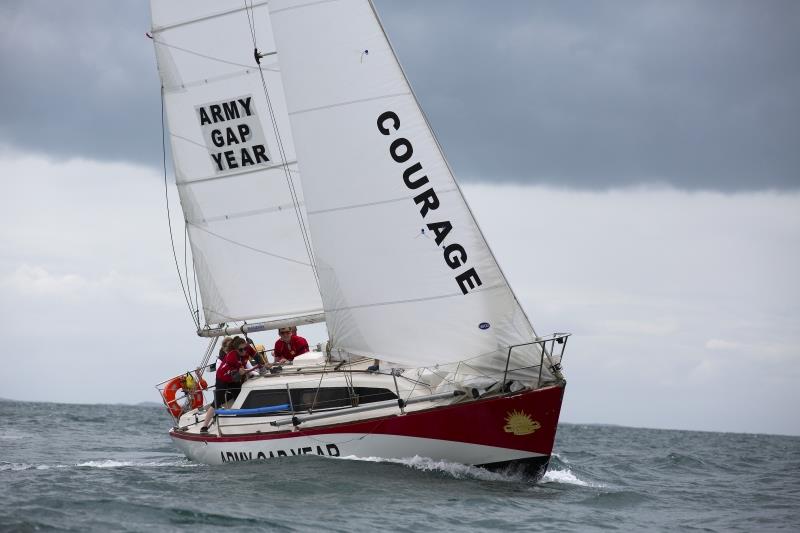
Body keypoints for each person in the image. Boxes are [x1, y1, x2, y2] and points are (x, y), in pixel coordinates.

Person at [200, 336, 251, 433]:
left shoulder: (239, 355)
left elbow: (247, 366)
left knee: (239, 397)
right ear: (224, 348)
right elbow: (222, 372)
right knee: (217, 401)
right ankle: (204, 426)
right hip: (222, 379)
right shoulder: (221, 360)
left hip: (233, 380)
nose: (230, 348)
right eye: (228, 346)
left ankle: (242, 421)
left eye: (231, 346)